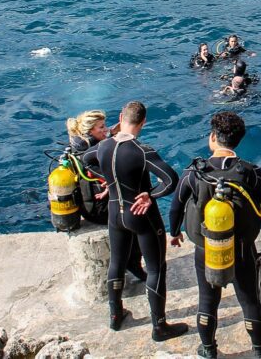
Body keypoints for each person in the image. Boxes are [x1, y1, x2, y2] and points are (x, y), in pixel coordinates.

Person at [168, 111, 261, 358]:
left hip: (206, 247)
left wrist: (175, 233)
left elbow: (176, 205)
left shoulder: (195, 171)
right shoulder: (250, 171)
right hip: (242, 248)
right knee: (249, 298)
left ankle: (209, 350)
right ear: (238, 141)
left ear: (212, 137)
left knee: (208, 300)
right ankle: (259, 350)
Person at [83, 101, 186, 341]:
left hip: (114, 213)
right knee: (156, 268)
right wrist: (150, 195)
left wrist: (109, 180)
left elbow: (85, 161)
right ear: (143, 122)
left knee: (116, 262)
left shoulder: (103, 147)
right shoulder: (142, 151)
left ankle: (116, 315)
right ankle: (159, 326)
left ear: (120, 117)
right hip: (140, 214)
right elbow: (171, 180)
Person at [66, 110, 147, 279]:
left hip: (87, 208)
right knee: (136, 214)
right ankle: (133, 263)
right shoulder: (95, 152)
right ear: (90, 132)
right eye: (101, 127)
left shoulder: (80, 148)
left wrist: (110, 132)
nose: (106, 130)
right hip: (100, 211)